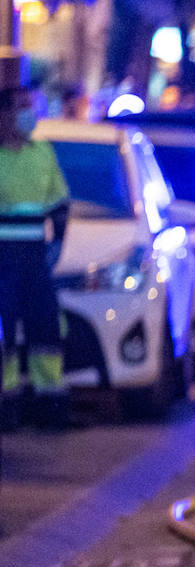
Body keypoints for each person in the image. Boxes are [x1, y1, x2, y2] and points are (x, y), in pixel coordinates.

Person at [0, 85, 70, 430]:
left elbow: (59, 203)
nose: (29, 113)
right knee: (5, 333)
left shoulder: (43, 153)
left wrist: (56, 244)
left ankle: (50, 399)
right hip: (3, 259)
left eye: (31, 106)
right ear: (4, 115)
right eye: (21, 107)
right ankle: (7, 403)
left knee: (46, 328)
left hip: (34, 258)